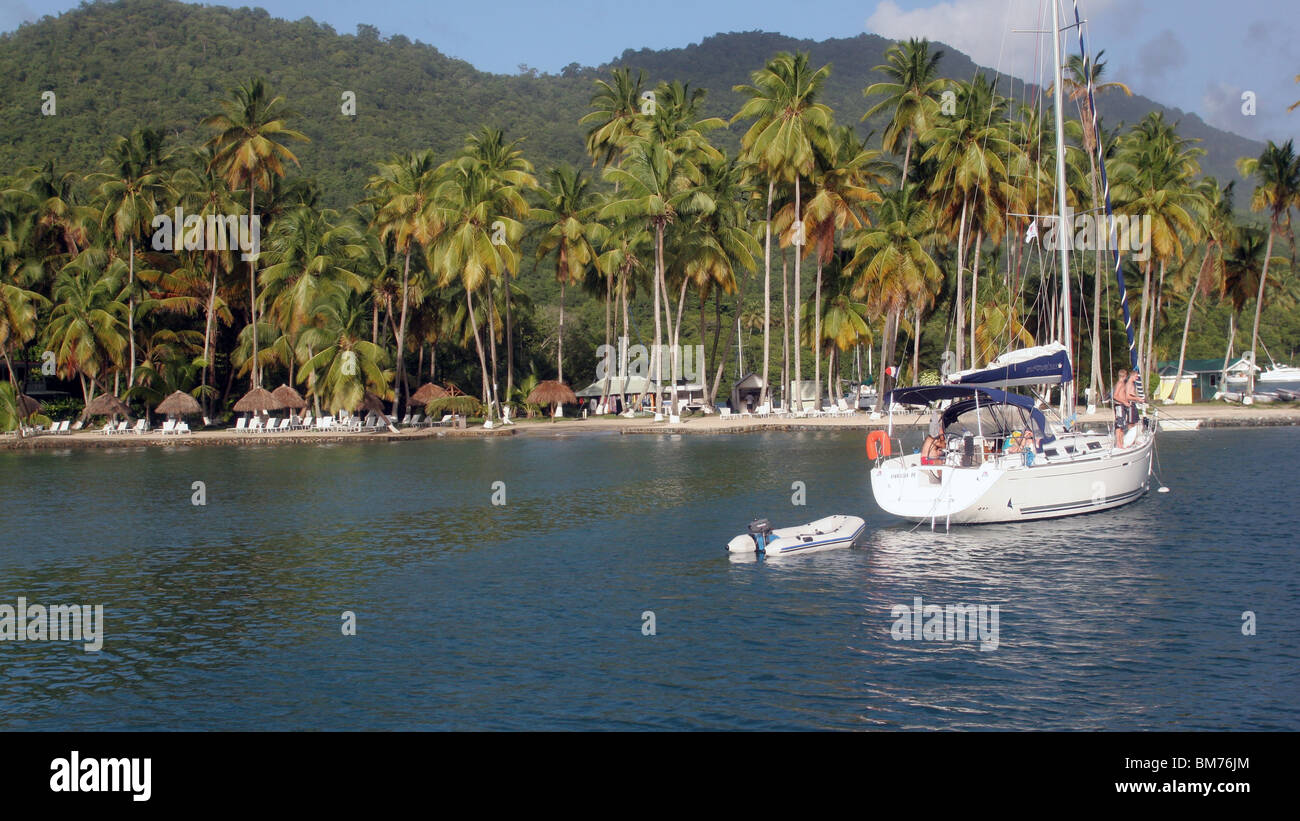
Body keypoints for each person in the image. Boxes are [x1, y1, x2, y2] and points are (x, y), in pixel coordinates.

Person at [1113, 368, 1131, 447]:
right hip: (1119, 405)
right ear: (1124, 375)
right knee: (1119, 424)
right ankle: (1118, 443)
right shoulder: (1120, 383)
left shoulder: (1122, 383)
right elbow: (1115, 395)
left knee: (1122, 424)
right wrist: (1124, 402)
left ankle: (1121, 442)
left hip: (1122, 405)